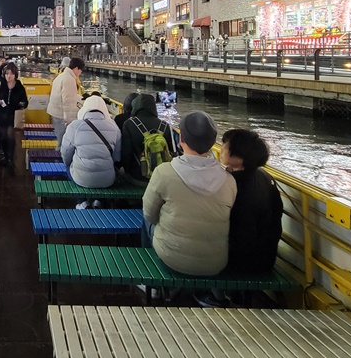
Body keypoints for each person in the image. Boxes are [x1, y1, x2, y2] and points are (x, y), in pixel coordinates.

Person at [142, 111, 237, 276]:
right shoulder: (229, 180)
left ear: (181, 139)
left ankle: (149, 280)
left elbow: (149, 215)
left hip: (173, 258)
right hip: (216, 263)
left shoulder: (164, 172)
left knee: (145, 221)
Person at [221, 129, 282, 275]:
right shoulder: (264, 177)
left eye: (226, 147)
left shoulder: (232, 184)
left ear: (240, 158)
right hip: (266, 259)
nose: (221, 149)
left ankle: (213, 295)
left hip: (240, 261)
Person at [61, 95, 120, 202]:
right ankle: (99, 201)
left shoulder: (75, 126)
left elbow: (65, 153)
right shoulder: (114, 127)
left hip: (82, 179)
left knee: (68, 167)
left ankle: (82, 202)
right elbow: (117, 157)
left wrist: (69, 163)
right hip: (107, 179)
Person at [121, 94, 178, 186]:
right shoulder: (165, 126)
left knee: (120, 173)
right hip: (162, 179)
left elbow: (126, 154)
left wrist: (127, 170)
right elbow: (172, 152)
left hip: (138, 178)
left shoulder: (129, 124)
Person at [0, 62, 28, 167]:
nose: (8, 76)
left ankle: (10, 157)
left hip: (12, 115)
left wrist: (21, 104)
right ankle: (4, 155)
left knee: (10, 135)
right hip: (0, 114)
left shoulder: (19, 86)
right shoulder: (0, 83)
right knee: (2, 136)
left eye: (11, 74)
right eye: (7, 74)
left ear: (15, 74)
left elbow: (24, 100)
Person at [47, 57, 84, 148]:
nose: (80, 73)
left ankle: (59, 155)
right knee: (63, 141)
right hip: (61, 115)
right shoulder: (69, 79)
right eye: (80, 70)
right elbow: (67, 101)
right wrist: (68, 119)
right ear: (76, 68)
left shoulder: (62, 76)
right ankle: (60, 158)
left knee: (60, 138)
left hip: (55, 111)